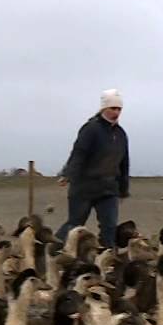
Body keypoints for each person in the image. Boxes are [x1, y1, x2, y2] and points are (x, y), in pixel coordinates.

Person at [54, 88, 130, 248]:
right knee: (75, 225)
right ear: (104, 108)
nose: (116, 112)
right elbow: (79, 153)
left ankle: (107, 257)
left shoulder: (121, 134)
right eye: (113, 108)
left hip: (109, 188)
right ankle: (52, 248)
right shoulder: (91, 129)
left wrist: (123, 189)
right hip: (84, 186)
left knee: (109, 227)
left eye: (119, 109)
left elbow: (124, 162)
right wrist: (68, 174)